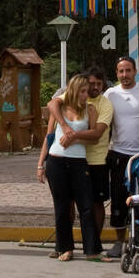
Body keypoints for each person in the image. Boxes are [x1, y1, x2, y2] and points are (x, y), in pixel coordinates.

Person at [42, 66, 113, 240]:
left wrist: (72, 136)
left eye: (98, 83)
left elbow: (96, 133)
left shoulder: (104, 104)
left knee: (94, 204)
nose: (94, 87)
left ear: (103, 85)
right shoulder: (72, 97)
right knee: (66, 203)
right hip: (67, 159)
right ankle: (66, 244)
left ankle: (93, 243)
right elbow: (52, 105)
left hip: (96, 160)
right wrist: (65, 128)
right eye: (91, 84)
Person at [38, 74, 102, 261]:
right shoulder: (60, 109)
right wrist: (40, 164)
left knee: (86, 205)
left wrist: (74, 136)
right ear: (73, 91)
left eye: (87, 91)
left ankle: (92, 250)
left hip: (78, 161)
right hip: (56, 160)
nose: (85, 95)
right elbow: (49, 137)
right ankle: (65, 247)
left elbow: (95, 137)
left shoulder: (90, 109)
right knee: (62, 206)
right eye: (82, 91)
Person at [102, 57, 139, 259]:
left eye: (128, 71)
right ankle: (119, 241)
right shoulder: (110, 94)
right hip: (119, 154)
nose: (125, 75)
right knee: (119, 200)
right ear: (116, 73)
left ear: (135, 71)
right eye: (121, 71)